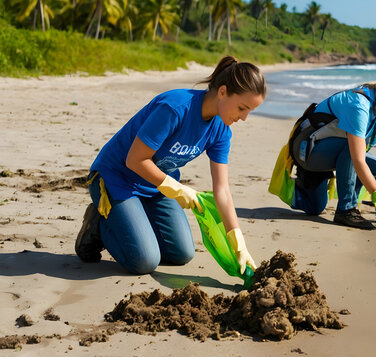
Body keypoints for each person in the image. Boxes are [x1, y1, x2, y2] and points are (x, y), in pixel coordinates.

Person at [74, 56, 265, 275]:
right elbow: (134, 160)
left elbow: (222, 190)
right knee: (145, 261)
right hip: (117, 179)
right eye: (242, 108)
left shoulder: (221, 129)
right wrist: (177, 189)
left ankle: (134, 220)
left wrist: (237, 240)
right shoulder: (175, 108)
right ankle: (98, 225)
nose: (244, 118)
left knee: (181, 253)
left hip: (155, 187)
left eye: (250, 111)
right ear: (222, 92)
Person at [276, 70, 376, 230]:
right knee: (352, 149)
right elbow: (357, 158)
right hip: (308, 151)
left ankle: (345, 198)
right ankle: (346, 209)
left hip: (331, 152)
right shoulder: (359, 105)